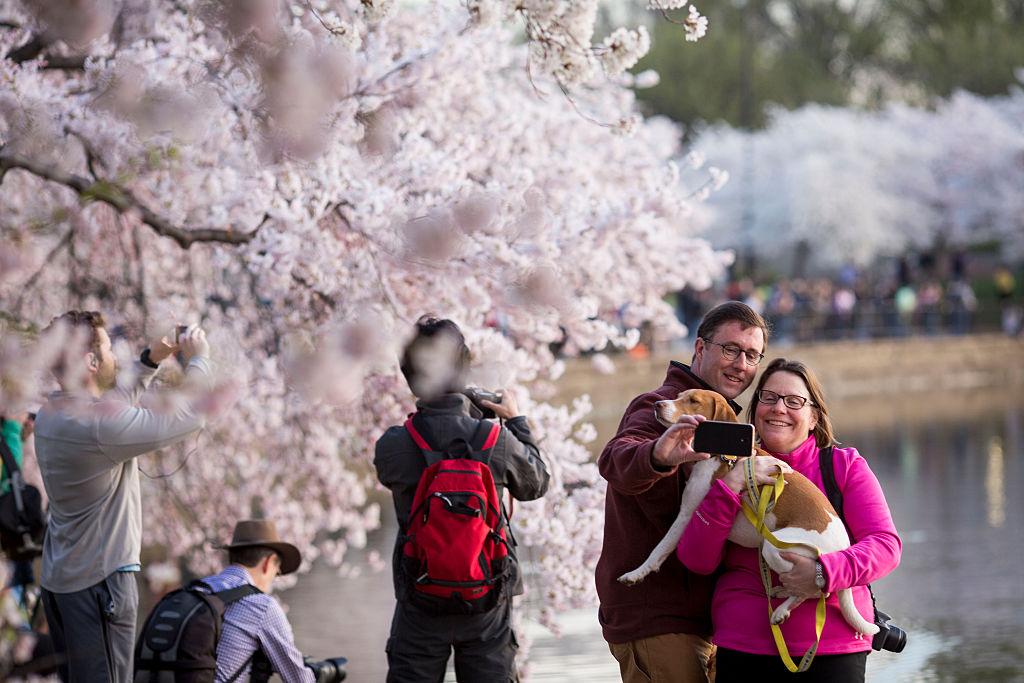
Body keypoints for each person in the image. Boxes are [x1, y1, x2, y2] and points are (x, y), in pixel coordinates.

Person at [677, 358, 902, 682]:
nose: (779, 408)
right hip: (744, 647)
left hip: (833, 646)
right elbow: (696, 560)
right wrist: (730, 487)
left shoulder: (843, 466)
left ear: (814, 416)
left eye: (794, 401)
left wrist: (823, 573)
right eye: (768, 398)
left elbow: (885, 546)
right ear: (754, 412)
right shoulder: (723, 467)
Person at [34, 311, 212, 683]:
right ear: (91, 362)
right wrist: (199, 359)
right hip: (100, 583)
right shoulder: (98, 426)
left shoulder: (52, 413)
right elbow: (192, 416)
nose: (117, 357)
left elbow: (110, 404)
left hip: (63, 581)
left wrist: (152, 358)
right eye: (109, 349)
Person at [596, 300, 770, 683]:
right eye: (731, 349)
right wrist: (659, 455)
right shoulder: (658, 409)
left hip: (707, 618)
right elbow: (616, 460)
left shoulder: (724, 421)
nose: (741, 364)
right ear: (700, 348)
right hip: (656, 616)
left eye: (752, 355)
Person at [374, 317, 550, 682]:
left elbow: (390, 474)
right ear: (465, 366)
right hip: (487, 594)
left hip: (419, 591)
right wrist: (515, 421)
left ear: (410, 375)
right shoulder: (494, 440)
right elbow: (536, 483)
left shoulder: (393, 444)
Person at [200, 519, 314, 683]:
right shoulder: (262, 607)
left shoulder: (197, 589)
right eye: (278, 570)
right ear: (268, 563)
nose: (275, 577)